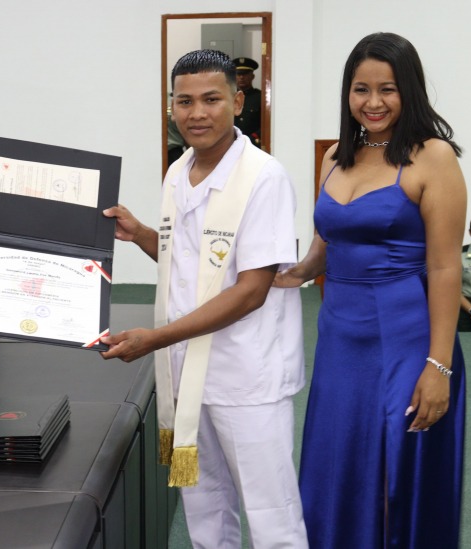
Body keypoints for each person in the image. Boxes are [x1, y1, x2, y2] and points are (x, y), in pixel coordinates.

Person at [101, 50, 307, 548]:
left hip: (246, 375)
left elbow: (251, 291)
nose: (196, 113)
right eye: (184, 101)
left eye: (211, 99)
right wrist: (141, 233)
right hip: (187, 373)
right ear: (171, 106)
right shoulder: (178, 171)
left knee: (271, 514)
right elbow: (188, 260)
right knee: (204, 505)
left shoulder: (264, 177)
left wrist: (156, 338)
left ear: (238, 102)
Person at [274, 32, 467, 547]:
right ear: (348, 93)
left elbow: (445, 267)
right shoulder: (335, 156)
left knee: (395, 475)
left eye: (388, 89)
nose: (373, 102)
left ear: (410, 91)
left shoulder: (433, 157)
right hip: (340, 336)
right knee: (338, 461)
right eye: (362, 89)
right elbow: (326, 243)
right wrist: (288, 272)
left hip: (406, 337)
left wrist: (439, 365)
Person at [232, 56, 261, 147]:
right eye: (238, 74)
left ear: (252, 76)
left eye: (245, 74)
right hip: (231, 143)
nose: (241, 77)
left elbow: (266, 124)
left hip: (253, 144)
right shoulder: (228, 97)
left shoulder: (260, 97)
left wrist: (253, 137)